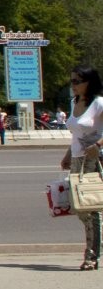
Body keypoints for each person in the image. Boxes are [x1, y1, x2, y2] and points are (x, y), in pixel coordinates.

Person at [60, 66, 103, 269]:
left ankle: (91, 257)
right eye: (72, 81)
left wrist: (98, 145)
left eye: (77, 81)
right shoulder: (73, 103)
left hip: (95, 160)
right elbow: (75, 134)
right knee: (79, 208)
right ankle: (94, 248)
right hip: (77, 160)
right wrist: (68, 155)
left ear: (89, 82)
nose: (73, 85)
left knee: (91, 208)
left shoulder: (99, 103)